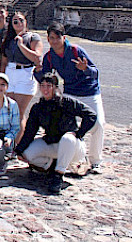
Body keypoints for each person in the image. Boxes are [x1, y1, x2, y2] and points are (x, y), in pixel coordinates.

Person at [38, 22, 105, 171]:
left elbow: (95, 72)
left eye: (57, 37)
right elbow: (47, 78)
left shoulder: (76, 51)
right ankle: (68, 157)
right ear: (48, 39)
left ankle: (95, 161)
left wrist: (85, 68)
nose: (54, 41)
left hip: (89, 92)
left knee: (99, 125)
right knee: (64, 126)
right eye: (51, 38)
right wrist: (38, 72)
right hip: (70, 92)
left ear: (64, 37)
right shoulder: (49, 57)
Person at [15, 73, 97, 194]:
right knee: (27, 154)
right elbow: (30, 131)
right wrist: (19, 150)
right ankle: (52, 166)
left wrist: (79, 133)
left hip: (72, 146)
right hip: (52, 143)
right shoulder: (38, 107)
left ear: (55, 87)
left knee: (67, 139)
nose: (45, 89)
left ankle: (58, 175)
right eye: (42, 85)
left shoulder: (67, 102)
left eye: (49, 85)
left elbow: (91, 115)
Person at [0, 12, 43, 144]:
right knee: (8, 111)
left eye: (21, 20)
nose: (18, 23)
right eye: (15, 21)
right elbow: (4, 61)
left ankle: (15, 145)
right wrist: (0, 78)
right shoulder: (8, 39)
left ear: (26, 22)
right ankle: (8, 141)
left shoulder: (33, 37)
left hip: (25, 72)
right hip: (10, 73)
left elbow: (36, 57)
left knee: (18, 112)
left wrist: (21, 45)